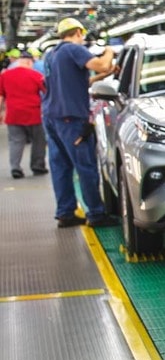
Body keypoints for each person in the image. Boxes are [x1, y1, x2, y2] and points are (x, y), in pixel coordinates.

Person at [43, 17, 118, 228]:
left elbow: (79, 81)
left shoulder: (52, 54)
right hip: (71, 119)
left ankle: (65, 213)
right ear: (78, 32)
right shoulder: (73, 49)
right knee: (85, 167)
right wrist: (109, 51)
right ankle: (96, 214)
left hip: (52, 117)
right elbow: (102, 64)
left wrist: (104, 74)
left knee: (61, 167)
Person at [0, 51, 47, 179]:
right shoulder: (36, 75)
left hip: (13, 114)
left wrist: (1, 112)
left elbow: (1, 96)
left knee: (16, 141)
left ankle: (15, 168)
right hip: (34, 114)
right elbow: (46, 92)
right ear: (30, 62)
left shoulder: (5, 75)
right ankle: (38, 166)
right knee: (38, 140)